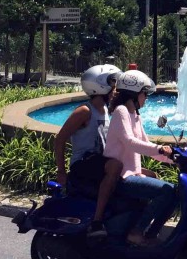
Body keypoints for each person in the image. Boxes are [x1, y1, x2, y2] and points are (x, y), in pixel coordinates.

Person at [88, 69, 174, 244]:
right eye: (144, 94)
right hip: (122, 178)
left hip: (134, 174)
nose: (146, 98)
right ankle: (137, 231)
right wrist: (159, 149)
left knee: (175, 194)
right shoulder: (121, 112)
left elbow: (144, 144)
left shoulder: (135, 115)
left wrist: (174, 159)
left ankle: (150, 234)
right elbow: (130, 142)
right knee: (167, 191)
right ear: (133, 94)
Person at [54, 64, 123, 196]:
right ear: (100, 86)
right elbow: (60, 139)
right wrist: (61, 172)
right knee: (115, 166)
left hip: (99, 163)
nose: (115, 91)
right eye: (113, 86)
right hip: (82, 164)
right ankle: (98, 216)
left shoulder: (106, 111)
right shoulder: (85, 111)